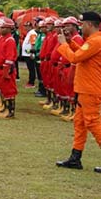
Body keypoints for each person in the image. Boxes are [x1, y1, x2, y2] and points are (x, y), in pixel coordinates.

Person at [55, 11, 101, 172]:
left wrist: (63, 44)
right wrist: (70, 43)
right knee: (80, 124)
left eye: (82, 24)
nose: (81, 28)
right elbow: (81, 53)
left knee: (92, 122)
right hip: (84, 88)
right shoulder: (93, 41)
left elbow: (75, 58)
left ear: (89, 24)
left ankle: (76, 158)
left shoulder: (96, 41)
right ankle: (75, 158)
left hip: (90, 89)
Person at [0, 17, 19, 119]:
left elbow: (10, 57)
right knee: (5, 90)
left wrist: (6, 70)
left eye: (3, 28)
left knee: (10, 91)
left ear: (9, 29)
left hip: (7, 69)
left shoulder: (10, 40)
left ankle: (11, 111)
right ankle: (6, 108)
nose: (0, 29)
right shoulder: (3, 39)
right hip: (2, 68)